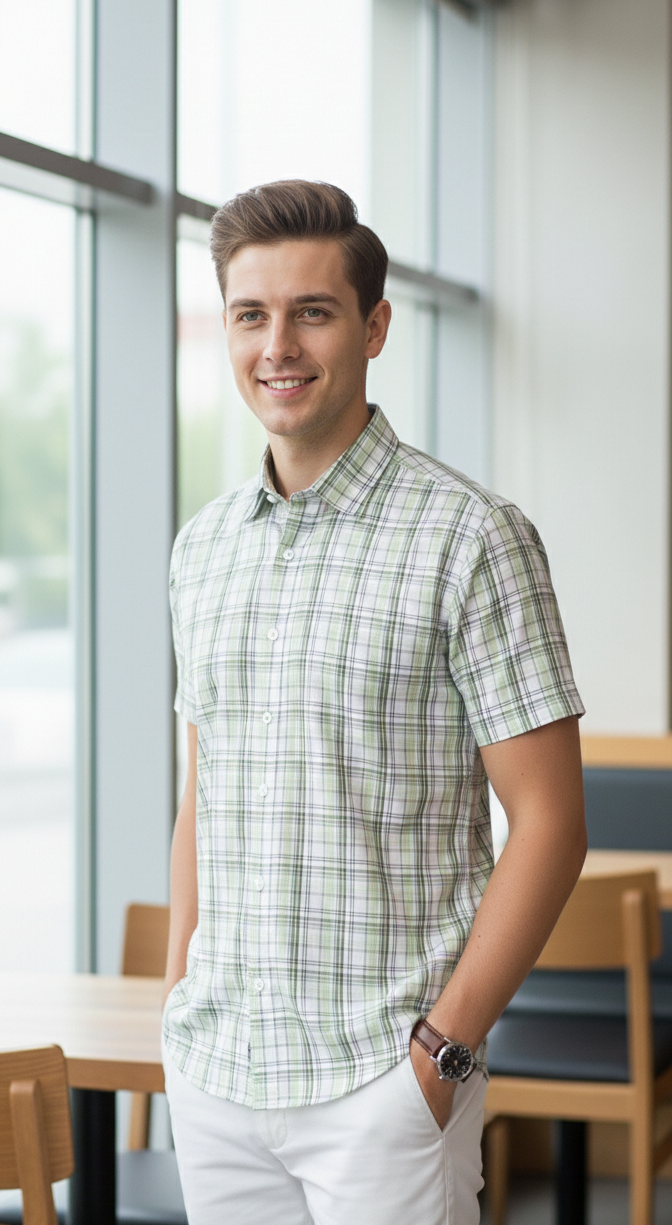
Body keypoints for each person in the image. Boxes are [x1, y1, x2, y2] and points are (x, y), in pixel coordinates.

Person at [162, 180, 586, 1225]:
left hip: (383, 1083)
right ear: (226, 328)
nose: (279, 346)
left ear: (374, 324)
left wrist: (440, 1055)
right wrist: (179, 1003)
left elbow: (551, 823)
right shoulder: (201, 548)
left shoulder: (473, 537)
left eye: (313, 311)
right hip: (220, 1074)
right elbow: (204, 794)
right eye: (251, 315)